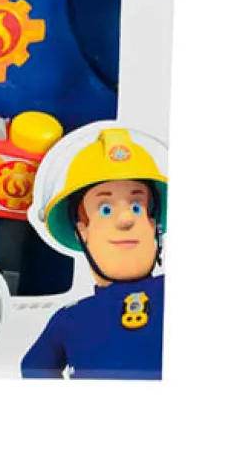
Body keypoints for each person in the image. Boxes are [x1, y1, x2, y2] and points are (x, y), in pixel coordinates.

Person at [22, 129, 167, 379]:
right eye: (106, 209)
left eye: (136, 206)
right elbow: (33, 368)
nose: (126, 219)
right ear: (82, 232)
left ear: (153, 226)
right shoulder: (71, 318)